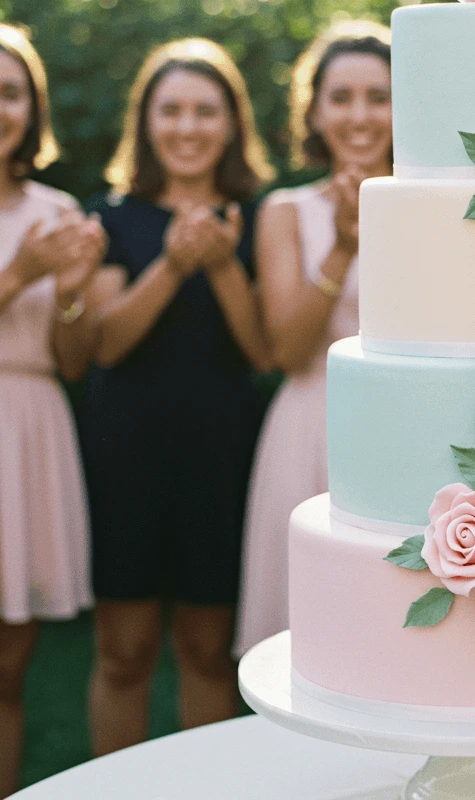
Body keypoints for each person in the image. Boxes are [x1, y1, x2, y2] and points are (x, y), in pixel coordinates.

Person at [80, 38, 273, 755]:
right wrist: (171, 263)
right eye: (171, 111)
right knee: (123, 649)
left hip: (221, 451)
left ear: (230, 123)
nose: (187, 128)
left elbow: (263, 354)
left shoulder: (260, 217)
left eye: (204, 111)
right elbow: (105, 343)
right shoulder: (111, 216)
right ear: (146, 122)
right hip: (124, 447)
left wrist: (221, 267)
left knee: (206, 648)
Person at [233, 21, 392, 657]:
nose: (360, 115)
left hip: (407, 421)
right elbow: (287, 352)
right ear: (315, 111)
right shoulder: (285, 211)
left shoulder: (441, 203)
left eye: (379, 97)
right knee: (312, 643)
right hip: (312, 422)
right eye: (341, 97)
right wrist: (345, 248)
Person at [0, 24, 106, 797]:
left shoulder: (57, 207)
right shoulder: (31, 238)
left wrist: (70, 292)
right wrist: (21, 270)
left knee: (10, 666)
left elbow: (75, 364)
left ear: (31, 110)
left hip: (31, 424)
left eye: (9, 92)